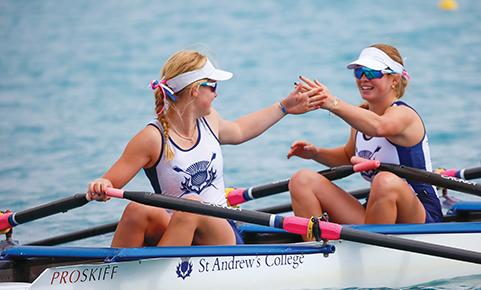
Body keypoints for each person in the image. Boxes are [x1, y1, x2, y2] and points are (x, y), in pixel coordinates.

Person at [88, 50, 326, 247]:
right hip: (174, 227)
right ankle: (112, 275)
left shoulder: (210, 122)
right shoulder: (151, 138)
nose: (216, 93)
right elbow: (109, 185)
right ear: (194, 91)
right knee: (135, 210)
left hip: (221, 231)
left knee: (190, 205)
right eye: (212, 86)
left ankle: (154, 279)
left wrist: (284, 107)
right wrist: (101, 185)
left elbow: (241, 130)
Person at [287, 44, 443, 237]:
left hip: (420, 214)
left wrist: (332, 103)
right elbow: (347, 156)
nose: (363, 78)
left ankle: (371, 253)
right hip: (376, 211)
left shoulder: (404, 115)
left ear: (394, 79)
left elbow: (379, 127)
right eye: (359, 72)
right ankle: (315, 250)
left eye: (371, 72)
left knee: (384, 180)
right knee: (301, 179)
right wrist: (315, 153)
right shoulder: (361, 119)